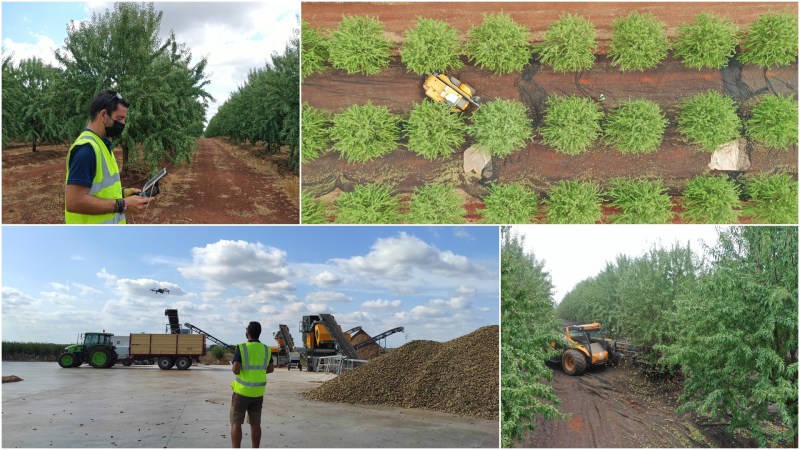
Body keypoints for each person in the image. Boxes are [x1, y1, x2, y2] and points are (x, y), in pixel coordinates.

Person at [64, 90, 153, 224]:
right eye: (119, 119)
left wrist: (122, 193)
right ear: (104, 114)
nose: (123, 124)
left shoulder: (102, 145)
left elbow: (98, 189)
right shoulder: (86, 150)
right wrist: (123, 204)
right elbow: (74, 202)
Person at [230, 321, 274, 448]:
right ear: (259, 333)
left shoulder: (242, 348)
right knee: (255, 424)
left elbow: (235, 370)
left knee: (236, 423)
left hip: (241, 393)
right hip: (258, 393)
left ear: (247, 332)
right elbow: (270, 369)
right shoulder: (266, 349)